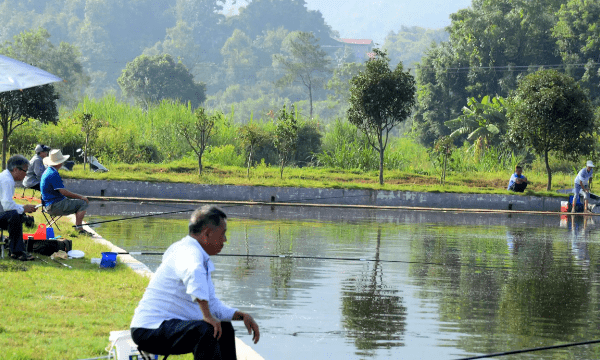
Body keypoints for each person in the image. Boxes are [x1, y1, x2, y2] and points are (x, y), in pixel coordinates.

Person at [130, 206, 260, 360]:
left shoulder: (196, 254)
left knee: (223, 326)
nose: (225, 240)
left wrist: (240, 315)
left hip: (168, 325)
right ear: (207, 234)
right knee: (206, 330)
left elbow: (212, 304)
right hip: (149, 329)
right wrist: (207, 316)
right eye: (223, 234)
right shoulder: (189, 252)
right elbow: (193, 273)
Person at [40, 149, 91, 235]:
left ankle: (79, 227)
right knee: (83, 203)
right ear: (59, 163)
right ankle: (79, 230)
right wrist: (81, 197)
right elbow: (64, 192)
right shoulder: (53, 174)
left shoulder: (48, 171)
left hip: (49, 204)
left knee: (76, 202)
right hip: (54, 206)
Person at [0, 155, 38, 261]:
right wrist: (23, 208)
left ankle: (15, 247)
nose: (26, 174)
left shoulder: (6, 177)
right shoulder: (7, 180)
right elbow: (7, 206)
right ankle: (17, 252)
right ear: (16, 169)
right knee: (14, 216)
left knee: (17, 214)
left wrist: (23, 208)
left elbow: (7, 204)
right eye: (24, 171)